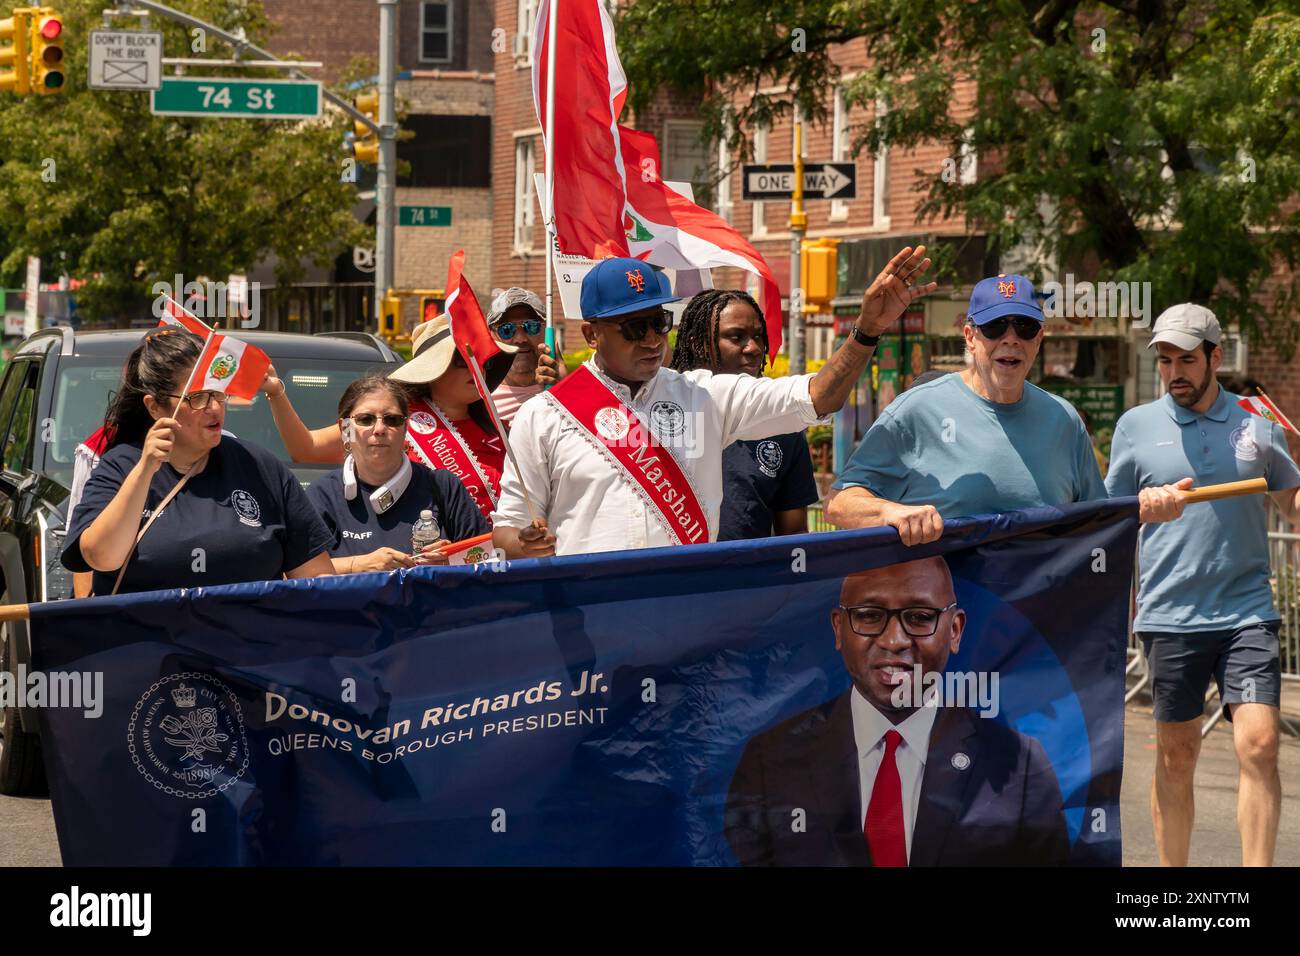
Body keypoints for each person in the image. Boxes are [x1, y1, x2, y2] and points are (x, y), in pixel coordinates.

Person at [491, 247, 939, 558]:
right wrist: (524, 543)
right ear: (591, 334)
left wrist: (865, 331)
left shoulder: (704, 395)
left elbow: (818, 395)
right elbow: (507, 528)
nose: (651, 338)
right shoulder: (543, 415)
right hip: (589, 621)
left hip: (688, 613)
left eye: (659, 321)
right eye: (633, 327)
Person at [1105, 303, 1300, 867]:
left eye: (1187, 359)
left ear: (1216, 356)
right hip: (1171, 615)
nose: (1174, 372)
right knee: (1177, 755)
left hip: (1247, 610)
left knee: (1261, 745)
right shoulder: (1135, 426)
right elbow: (1112, 516)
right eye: (1165, 360)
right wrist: (1141, 509)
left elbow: (1291, 504)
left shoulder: (1256, 421)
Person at [724, 556, 1069, 866]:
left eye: (919, 617)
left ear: (955, 630)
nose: (894, 640)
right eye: (869, 616)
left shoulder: (1020, 767)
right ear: (838, 629)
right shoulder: (769, 761)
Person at [826, 273, 1185, 543]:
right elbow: (840, 503)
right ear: (970, 336)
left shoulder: (1064, 420)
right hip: (945, 627)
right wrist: (891, 512)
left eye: (1025, 327)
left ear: (1039, 338)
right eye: (995, 326)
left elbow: (1095, 520)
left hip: (1035, 625)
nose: (1011, 338)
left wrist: (1143, 509)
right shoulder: (918, 410)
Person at [61, 328, 334, 595]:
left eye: (218, 394)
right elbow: (100, 557)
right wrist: (144, 471)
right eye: (197, 398)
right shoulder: (120, 466)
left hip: (249, 639)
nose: (214, 408)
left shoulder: (260, 466)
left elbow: (317, 581)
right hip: (149, 638)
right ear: (154, 407)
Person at [266, 316, 516, 522]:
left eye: (482, 358)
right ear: (433, 370)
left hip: (491, 563)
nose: (476, 368)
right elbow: (306, 449)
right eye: (462, 360)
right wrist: (277, 394)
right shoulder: (392, 419)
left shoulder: (500, 430)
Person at [668, 289, 819, 539]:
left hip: (749, 576)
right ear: (697, 343)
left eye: (758, 337)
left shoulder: (784, 426)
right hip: (674, 572)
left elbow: (794, 535)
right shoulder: (663, 410)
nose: (754, 348)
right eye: (736, 337)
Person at [305, 374, 489, 574]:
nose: (380, 429)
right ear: (345, 429)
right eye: (365, 419)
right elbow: (295, 572)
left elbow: (489, 559)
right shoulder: (322, 494)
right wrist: (358, 565)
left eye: (392, 420)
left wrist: (452, 560)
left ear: (405, 428)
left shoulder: (443, 486)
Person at [486, 287, 567, 425]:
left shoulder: (562, 388)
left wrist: (565, 390)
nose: (520, 339)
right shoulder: (478, 397)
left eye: (531, 327)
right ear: (491, 336)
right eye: (507, 330)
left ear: (546, 332)